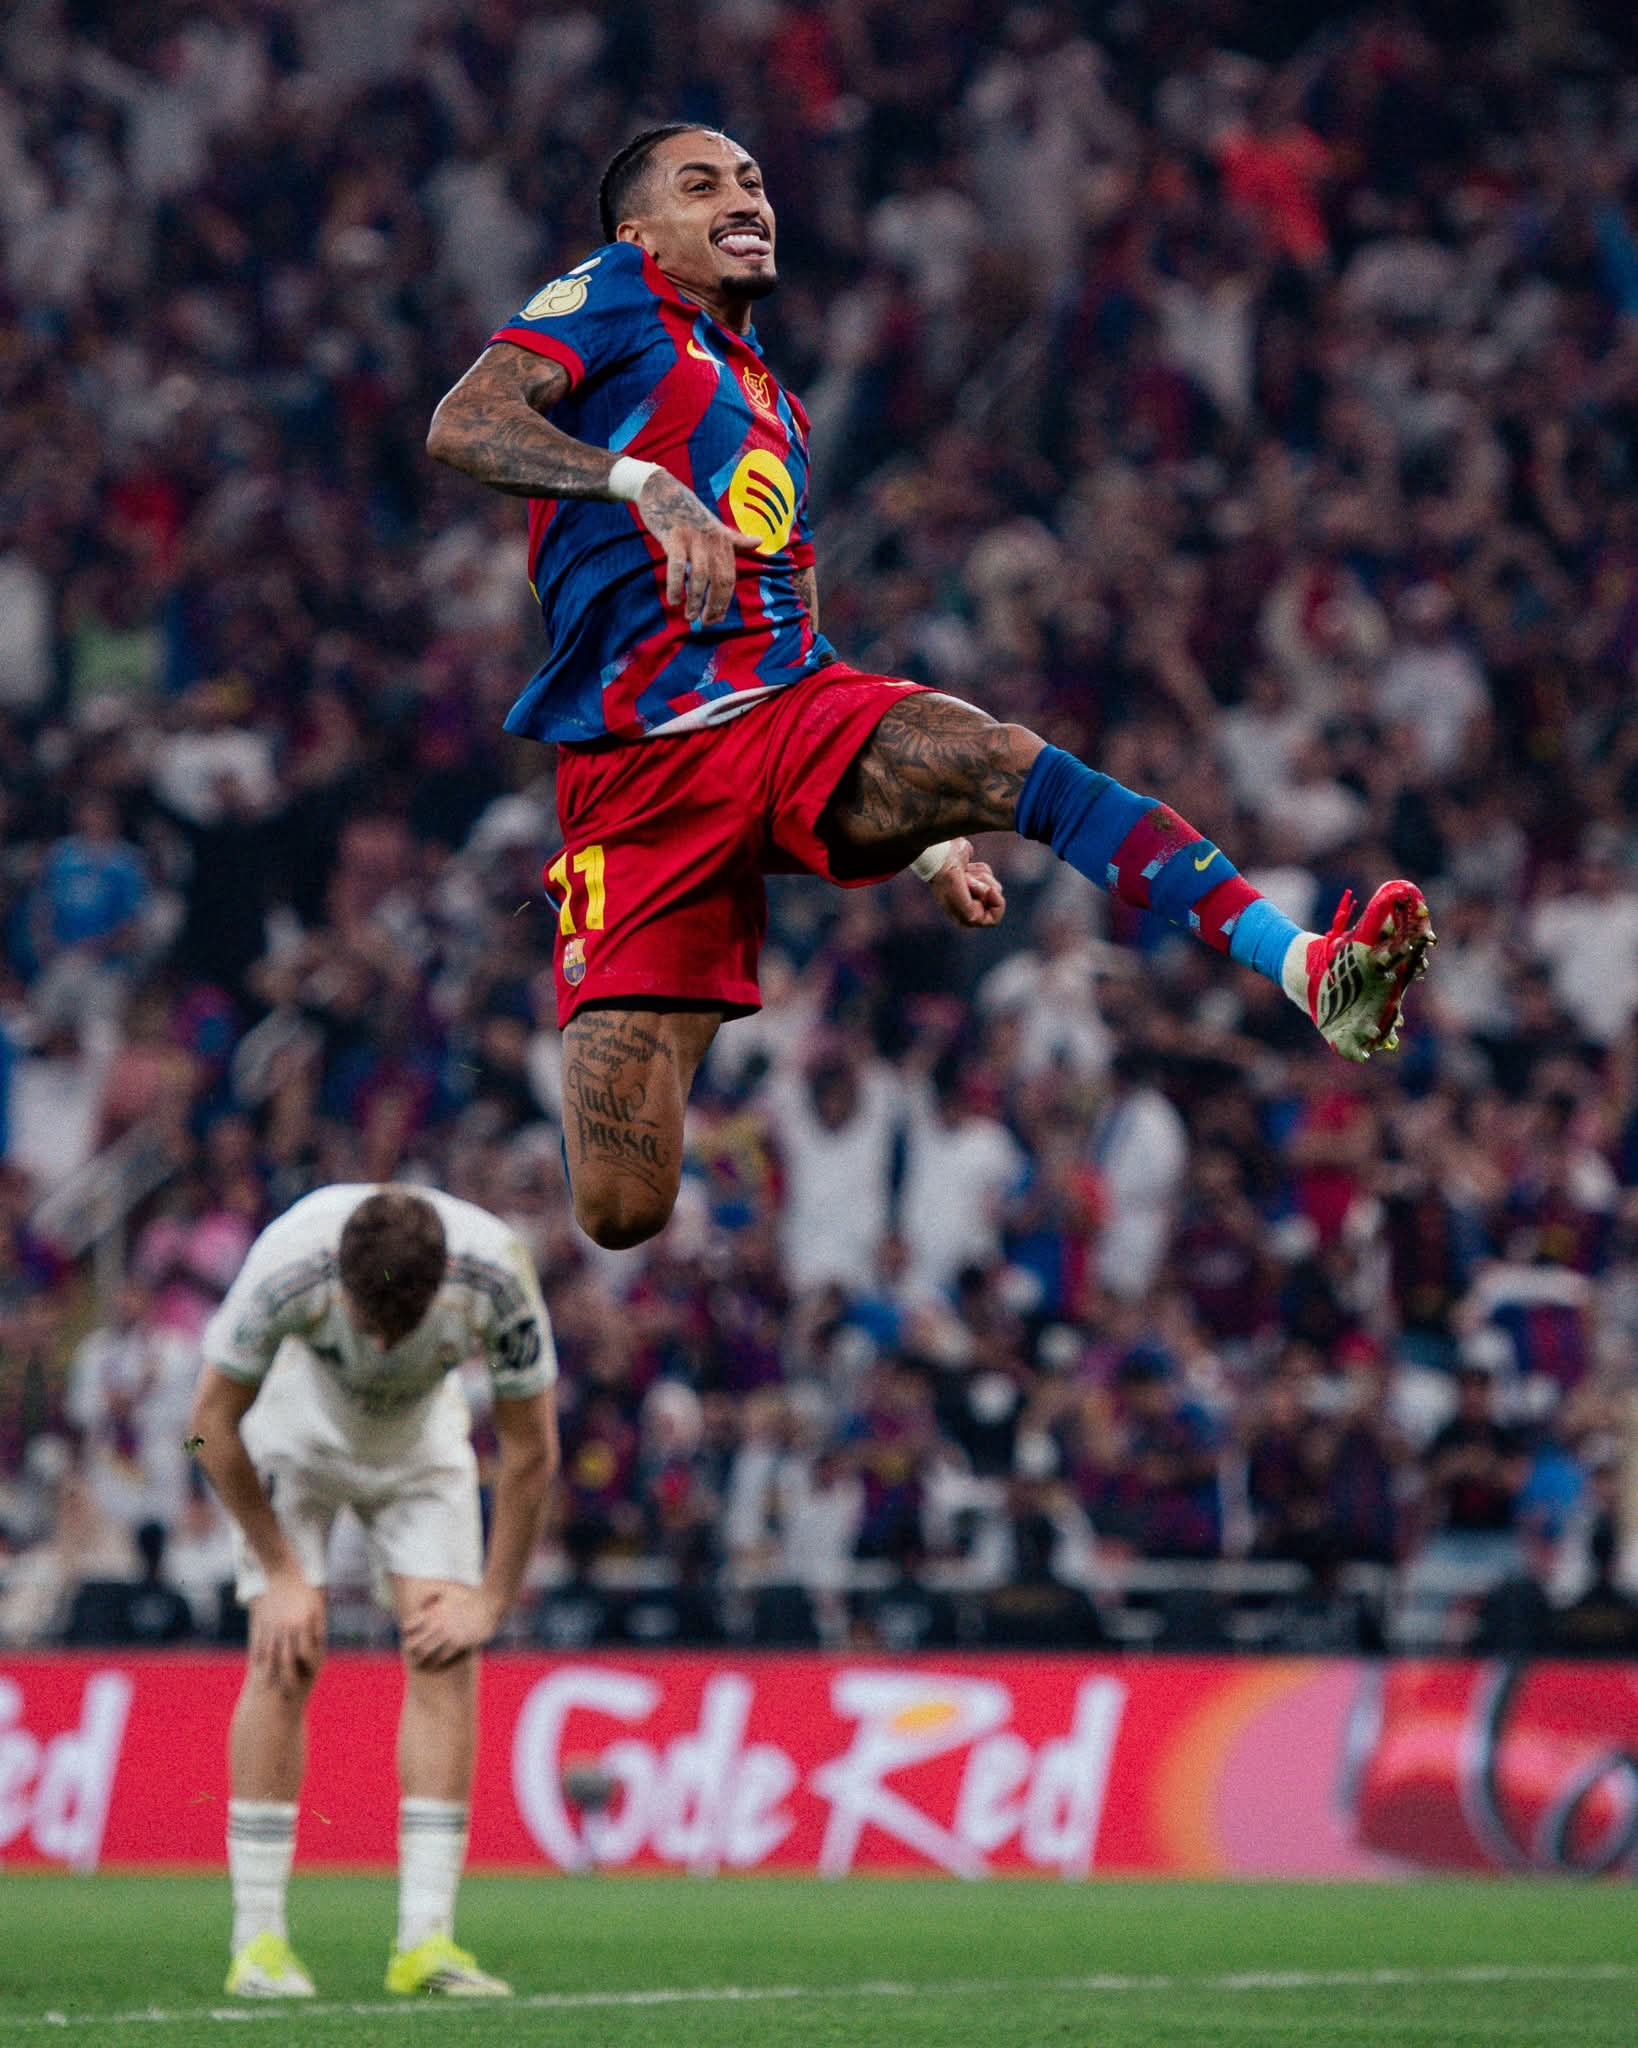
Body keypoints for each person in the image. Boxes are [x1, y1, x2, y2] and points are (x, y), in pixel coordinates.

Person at [428, 123, 1434, 1251]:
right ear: (638, 232)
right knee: (622, 1207)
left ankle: (1309, 970)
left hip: (786, 718)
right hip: (634, 784)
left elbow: (796, 631)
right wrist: (638, 484)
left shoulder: (776, 408)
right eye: (701, 184)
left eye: (753, 180)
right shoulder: (617, 295)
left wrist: (925, 837)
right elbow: (461, 422)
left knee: (1002, 761)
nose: (743, 196)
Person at [187, 1184, 559, 2001]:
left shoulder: (497, 1271)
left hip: (422, 1448)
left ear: (440, 1290)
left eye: (405, 1324)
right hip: (294, 1433)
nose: (385, 1345)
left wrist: (493, 1601)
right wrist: (280, 1570)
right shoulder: (288, 1260)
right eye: (370, 1320)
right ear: (341, 1282)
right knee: (284, 1652)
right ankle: (258, 1944)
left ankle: (425, 1941)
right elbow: (205, 1423)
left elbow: (531, 1452)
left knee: (445, 1649)